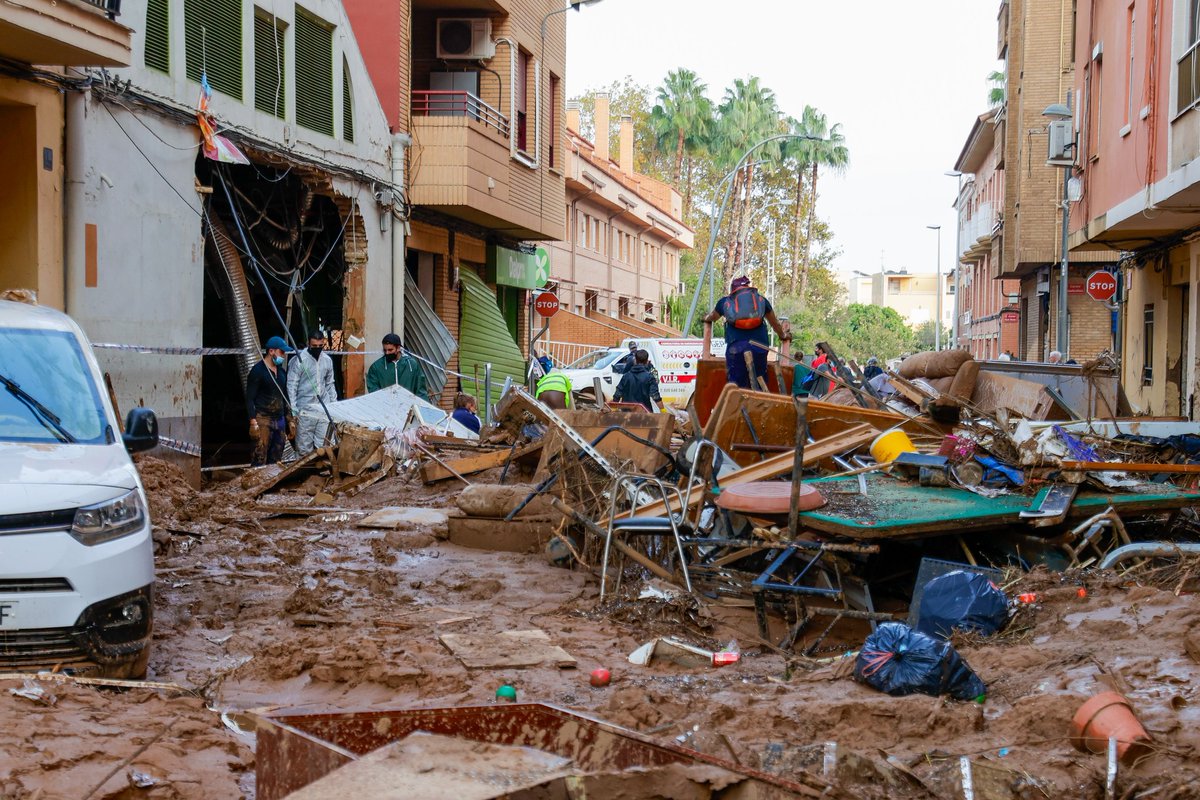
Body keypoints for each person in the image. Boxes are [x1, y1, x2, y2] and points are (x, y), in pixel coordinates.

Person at [703, 276, 790, 389]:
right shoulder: (761, 300)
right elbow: (775, 324)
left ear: (733, 290)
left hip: (736, 347)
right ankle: (760, 400)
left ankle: (738, 402)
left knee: (735, 384)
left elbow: (712, 317)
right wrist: (783, 335)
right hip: (759, 347)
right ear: (748, 288)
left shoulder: (725, 302)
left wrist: (706, 318)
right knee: (760, 378)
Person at [287, 330, 337, 455]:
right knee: (304, 448)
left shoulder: (327, 360)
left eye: (320, 346)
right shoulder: (299, 360)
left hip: (323, 408)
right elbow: (292, 385)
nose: (318, 349)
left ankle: (324, 472)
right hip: (305, 409)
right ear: (308, 343)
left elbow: (330, 384)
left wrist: (334, 406)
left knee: (325, 444)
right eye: (314, 346)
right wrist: (293, 409)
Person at [246, 335, 291, 466]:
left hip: (280, 419)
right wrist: (253, 421)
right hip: (263, 419)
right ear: (271, 351)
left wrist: (290, 419)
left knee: (276, 458)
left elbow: (285, 397)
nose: (283, 355)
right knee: (259, 457)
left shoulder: (282, 372)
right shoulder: (258, 371)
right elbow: (250, 398)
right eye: (281, 352)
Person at [367, 333, 428, 399]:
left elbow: (421, 391)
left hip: (409, 407)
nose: (387, 353)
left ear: (398, 348)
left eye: (390, 350)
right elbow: (374, 392)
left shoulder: (412, 365)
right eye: (385, 350)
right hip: (386, 406)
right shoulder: (376, 367)